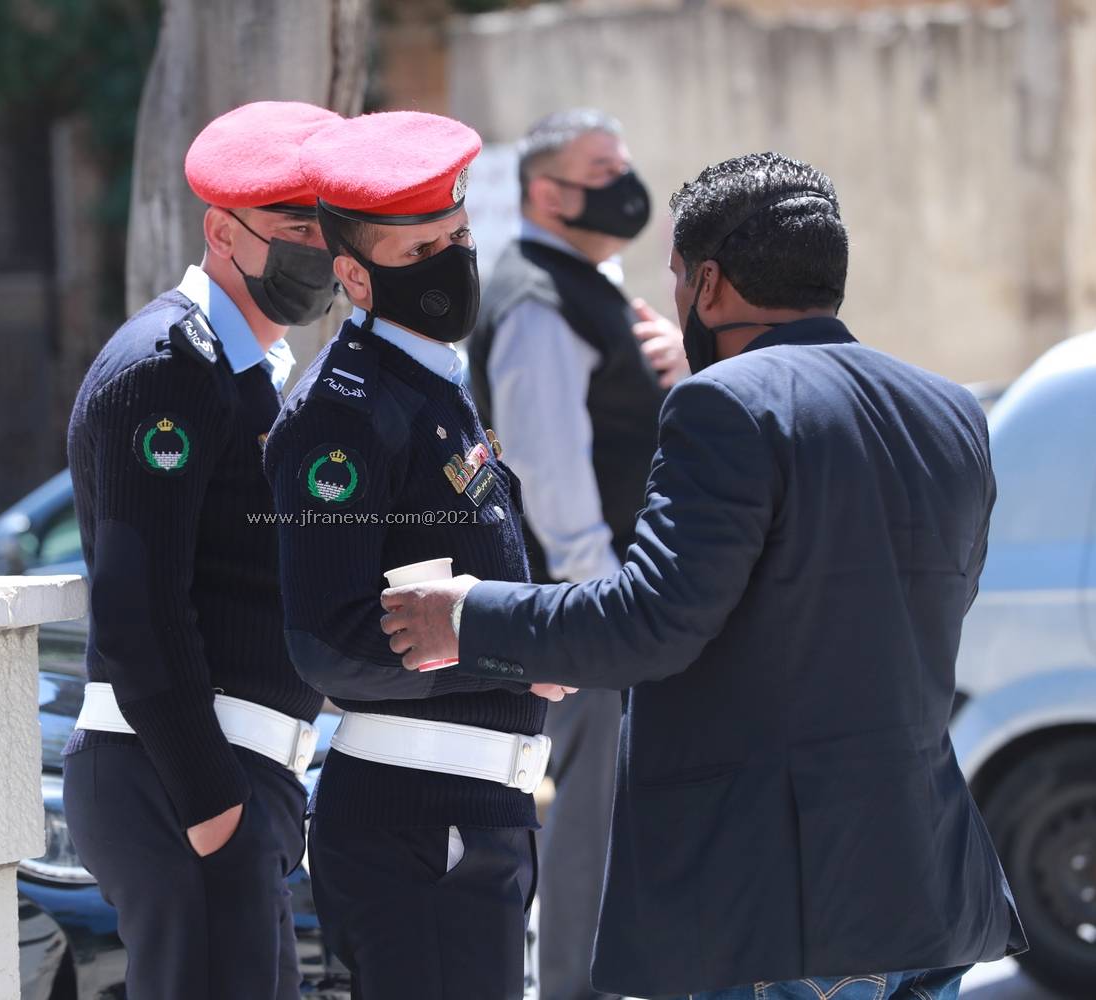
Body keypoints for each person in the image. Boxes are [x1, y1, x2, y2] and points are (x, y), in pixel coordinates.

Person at [379, 152, 1026, 1000]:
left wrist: (466, 618)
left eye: (680, 279)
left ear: (709, 285)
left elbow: (652, 620)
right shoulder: (951, 410)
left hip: (782, 910)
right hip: (927, 883)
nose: (679, 300)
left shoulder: (724, 404)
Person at [263, 110, 563, 1000]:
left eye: (458, 237)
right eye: (420, 249)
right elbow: (331, 641)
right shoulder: (345, 413)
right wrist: (514, 651)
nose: (451, 261)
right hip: (418, 822)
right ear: (355, 276)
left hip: (473, 816)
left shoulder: (431, 385)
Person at [60, 100, 341, 999]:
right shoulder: (171, 366)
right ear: (223, 232)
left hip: (230, 779)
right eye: (297, 230)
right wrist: (214, 805)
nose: (322, 252)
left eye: (331, 230)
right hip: (183, 777)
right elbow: (138, 607)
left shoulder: (248, 371)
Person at [466, 108, 685, 1000]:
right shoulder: (537, 301)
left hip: (614, 610)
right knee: (592, 823)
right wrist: (619, 615)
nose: (624, 185)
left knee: (617, 817)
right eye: (602, 171)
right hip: (589, 615)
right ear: (548, 193)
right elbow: (552, 485)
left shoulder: (588, 286)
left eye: (623, 165)